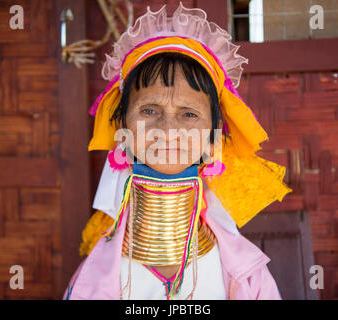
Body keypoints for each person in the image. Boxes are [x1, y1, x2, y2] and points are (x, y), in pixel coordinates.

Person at [63, 2, 292, 300]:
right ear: (121, 127)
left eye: (189, 114)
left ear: (214, 136)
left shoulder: (248, 277)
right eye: (149, 109)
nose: (168, 130)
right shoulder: (91, 282)